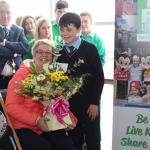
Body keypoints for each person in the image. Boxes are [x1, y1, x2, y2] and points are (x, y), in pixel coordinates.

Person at [5, 39, 76, 150]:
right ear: (34, 55)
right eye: (40, 52)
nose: (44, 55)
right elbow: (11, 106)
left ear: (52, 57)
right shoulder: (21, 75)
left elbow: (59, 103)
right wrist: (36, 119)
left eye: (48, 53)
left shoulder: (54, 76)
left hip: (46, 124)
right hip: (23, 126)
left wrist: (69, 120)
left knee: (66, 145)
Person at [57, 12, 104, 150]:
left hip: (89, 104)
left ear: (79, 29)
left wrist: (94, 102)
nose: (64, 33)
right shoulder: (58, 51)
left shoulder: (89, 49)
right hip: (69, 105)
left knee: (92, 137)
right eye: (61, 29)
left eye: (69, 29)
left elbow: (98, 77)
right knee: (73, 137)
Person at [0, 0, 29, 89]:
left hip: (16, 78)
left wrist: (5, 43)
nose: (5, 15)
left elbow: (25, 48)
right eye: (1, 12)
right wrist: (15, 53)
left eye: (8, 12)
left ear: (12, 14)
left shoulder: (19, 30)